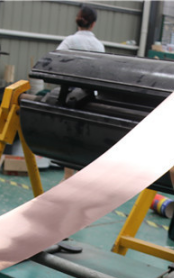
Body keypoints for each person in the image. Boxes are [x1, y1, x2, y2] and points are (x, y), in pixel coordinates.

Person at [58, 5, 104, 180]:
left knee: (70, 136)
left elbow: (57, 60)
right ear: (93, 24)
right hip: (91, 98)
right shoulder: (99, 46)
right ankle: (82, 178)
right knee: (85, 138)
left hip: (71, 97)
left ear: (78, 21)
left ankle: (68, 176)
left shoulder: (69, 42)